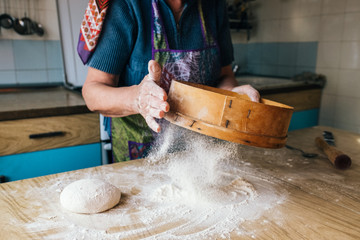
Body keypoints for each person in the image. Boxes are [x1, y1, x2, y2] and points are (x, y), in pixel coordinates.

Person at [81, 0, 260, 162]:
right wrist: (137, 99)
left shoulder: (214, 5)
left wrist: (230, 95)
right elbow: (93, 92)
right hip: (139, 156)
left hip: (203, 156)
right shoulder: (125, 5)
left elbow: (224, 75)